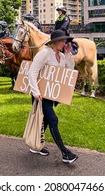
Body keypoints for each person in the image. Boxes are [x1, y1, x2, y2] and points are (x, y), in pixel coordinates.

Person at [28, 30, 79, 163]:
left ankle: (35, 146)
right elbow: (32, 72)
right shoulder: (44, 53)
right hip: (40, 94)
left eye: (65, 41)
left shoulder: (61, 56)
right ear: (54, 42)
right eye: (62, 41)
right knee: (53, 119)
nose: (64, 43)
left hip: (50, 94)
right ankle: (65, 153)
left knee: (45, 120)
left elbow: (69, 71)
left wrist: (68, 54)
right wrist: (35, 92)